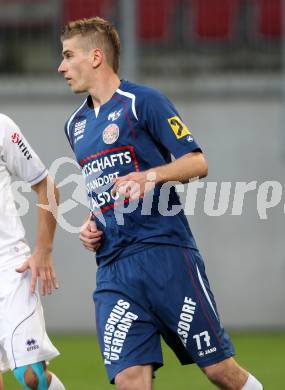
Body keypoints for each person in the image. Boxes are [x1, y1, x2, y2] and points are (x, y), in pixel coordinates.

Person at [58, 16, 263, 390]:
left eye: (69, 56)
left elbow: (198, 161)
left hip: (165, 256)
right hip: (114, 269)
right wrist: (93, 223)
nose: (61, 66)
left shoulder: (144, 102)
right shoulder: (76, 126)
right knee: (130, 380)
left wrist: (150, 176)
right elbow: (105, 188)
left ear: (96, 57)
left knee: (220, 371)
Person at [0, 114, 65, 389]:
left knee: (32, 376)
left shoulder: (2, 126)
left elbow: (46, 186)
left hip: (9, 266)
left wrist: (43, 250)